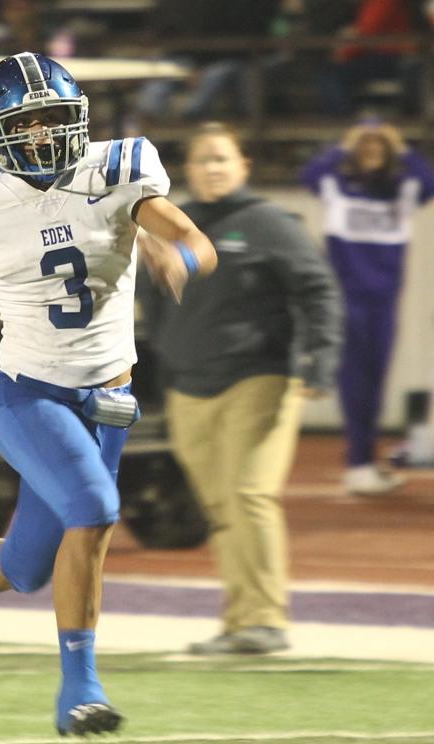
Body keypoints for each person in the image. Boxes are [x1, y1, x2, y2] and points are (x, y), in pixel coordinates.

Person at [0, 52, 217, 736]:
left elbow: (195, 239)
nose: (45, 134)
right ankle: (79, 687)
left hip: (108, 401)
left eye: (56, 117)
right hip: (31, 395)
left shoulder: (119, 173)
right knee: (95, 508)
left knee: (24, 567)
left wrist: (180, 258)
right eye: (28, 123)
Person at [138, 122, 342, 655]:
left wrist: (319, 362)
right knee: (218, 505)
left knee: (250, 494)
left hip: (259, 378)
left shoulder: (270, 223)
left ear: (244, 165)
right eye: (203, 160)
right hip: (190, 387)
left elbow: (318, 291)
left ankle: (265, 619)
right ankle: (240, 621)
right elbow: (154, 301)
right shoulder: (176, 226)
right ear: (186, 169)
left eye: (222, 159)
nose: (212, 169)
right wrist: (165, 362)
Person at [301, 121, 434, 494]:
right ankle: (358, 462)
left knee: (376, 381)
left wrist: (401, 148)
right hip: (347, 301)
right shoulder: (337, 186)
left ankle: (365, 462)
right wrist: (348, 144)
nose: (372, 151)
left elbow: (429, 179)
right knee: (355, 383)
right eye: (366, 147)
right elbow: (310, 172)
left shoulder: (402, 190)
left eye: (380, 147)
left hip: (384, 302)